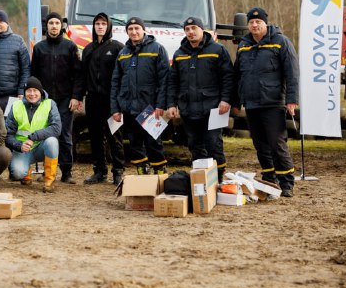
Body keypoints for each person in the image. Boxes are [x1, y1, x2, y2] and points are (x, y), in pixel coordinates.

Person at [233, 7, 299, 198]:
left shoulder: (281, 42)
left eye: (258, 22)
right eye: (251, 22)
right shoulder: (244, 45)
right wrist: (235, 101)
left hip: (273, 103)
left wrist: (292, 100)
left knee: (276, 143)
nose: (254, 25)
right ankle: (269, 177)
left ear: (265, 23)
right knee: (259, 143)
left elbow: (292, 73)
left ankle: (287, 182)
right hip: (251, 104)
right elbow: (238, 75)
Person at [167, 17, 234, 181]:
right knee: (195, 146)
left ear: (202, 30)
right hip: (189, 109)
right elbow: (172, 81)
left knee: (214, 145)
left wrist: (226, 99)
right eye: (187, 29)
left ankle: (218, 179)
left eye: (194, 28)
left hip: (214, 108)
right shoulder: (179, 54)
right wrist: (171, 104)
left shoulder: (218, 50)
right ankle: (201, 180)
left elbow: (228, 77)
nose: (190, 32)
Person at [111, 17, 170, 175]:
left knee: (153, 143)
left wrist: (160, 105)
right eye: (130, 29)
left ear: (143, 30)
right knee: (134, 144)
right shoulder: (123, 53)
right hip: (129, 108)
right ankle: (142, 173)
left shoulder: (157, 49)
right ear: (127, 32)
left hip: (150, 108)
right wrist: (115, 109)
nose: (134, 32)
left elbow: (165, 80)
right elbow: (115, 82)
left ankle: (160, 174)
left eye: (137, 28)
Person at [31, 12, 81, 184]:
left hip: (66, 99)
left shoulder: (70, 47)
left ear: (61, 26)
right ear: (47, 26)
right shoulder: (39, 48)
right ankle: (47, 172)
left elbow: (78, 75)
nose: (54, 26)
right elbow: (34, 75)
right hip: (44, 100)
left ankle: (66, 172)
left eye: (57, 23)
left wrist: (76, 97)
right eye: (51, 23)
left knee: (65, 135)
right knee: (46, 136)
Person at [80, 13, 125, 184]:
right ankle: (99, 170)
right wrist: (78, 96)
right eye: (97, 23)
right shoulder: (88, 49)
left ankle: (118, 171)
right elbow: (82, 76)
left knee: (115, 136)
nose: (100, 26)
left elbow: (122, 75)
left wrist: (120, 100)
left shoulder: (117, 48)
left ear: (109, 26)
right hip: (92, 99)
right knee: (96, 136)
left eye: (103, 23)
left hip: (111, 101)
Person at [6, 77, 62, 193]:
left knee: (52, 141)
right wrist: (19, 145)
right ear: (24, 92)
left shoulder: (50, 104)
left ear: (40, 92)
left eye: (35, 90)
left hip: (42, 146)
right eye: (29, 90)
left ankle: (49, 180)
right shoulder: (16, 106)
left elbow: (56, 128)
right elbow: (8, 135)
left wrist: (33, 137)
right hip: (23, 149)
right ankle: (26, 174)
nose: (32, 94)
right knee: (17, 173)